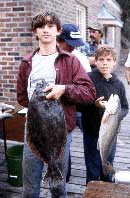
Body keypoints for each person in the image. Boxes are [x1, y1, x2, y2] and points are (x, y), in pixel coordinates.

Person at [17, 11, 96, 198]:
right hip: (33, 130)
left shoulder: (71, 61)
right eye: (41, 26)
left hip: (61, 131)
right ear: (34, 32)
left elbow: (89, 93)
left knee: (59, 188)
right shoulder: (26, 62)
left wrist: (64, 90)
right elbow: (21, 97)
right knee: (29, 187)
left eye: (51, 26)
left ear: (58, 31)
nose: (46, 30)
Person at [81, 45, 128, 184]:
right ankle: (92, 187)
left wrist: (118, 114)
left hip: (111, 134)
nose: (105, 63)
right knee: (93, 167)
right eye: (101, 59)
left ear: (114, 62)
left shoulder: (119, 84)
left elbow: (125, 107)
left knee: (107, 162)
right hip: (91, 132)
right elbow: (79, 103)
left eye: (108, 59)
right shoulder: (88, 78)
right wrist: (93, 104)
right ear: (95, 61)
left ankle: (107, 185)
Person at [57, 23, 91, 183]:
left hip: (81, 109)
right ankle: (66, 176)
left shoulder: (80, 58)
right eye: (70, 44)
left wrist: (66, 89)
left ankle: (93, 177)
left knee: (91, 139)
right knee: (64, 145)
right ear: (59, 39)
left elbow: (88, 87)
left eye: (75, 45)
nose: (72, 48)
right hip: (61, 112)